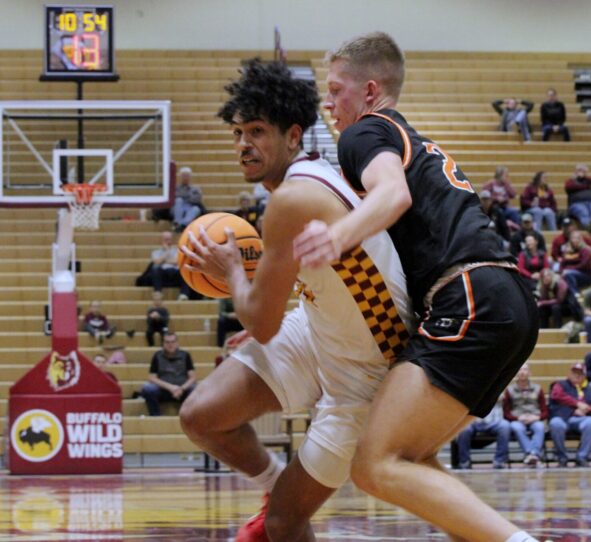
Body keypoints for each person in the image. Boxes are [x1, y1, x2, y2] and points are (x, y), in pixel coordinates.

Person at [294, 33, 540, 542]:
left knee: (374, 464)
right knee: (413, 457)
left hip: (467, 296)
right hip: (503, 296)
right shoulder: (413, 140)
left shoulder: (364, 133)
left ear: (368, 90)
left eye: (336, 89)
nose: (328, 102)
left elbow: (393, 194)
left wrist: (335, 235)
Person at [177, 60, 415, 541]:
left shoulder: (293, 198)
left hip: (370, 366)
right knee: (200, 415)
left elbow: (260, 326)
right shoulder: (305, 180)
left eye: (259, 131)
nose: (245, 144)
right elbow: (323, 283)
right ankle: (271, 486)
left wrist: (230, 274)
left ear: (293, 136)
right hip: (319, 326)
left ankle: (278, 501)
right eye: (239, 132)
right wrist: (265, 303)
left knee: (285, 524)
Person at [548, 363, 591, 468]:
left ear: (584, 376)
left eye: (580, 373)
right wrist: (576, 405)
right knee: (555, 424)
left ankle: (582, 457)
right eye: (574, 373)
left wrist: (586, 409)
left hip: (581, 419)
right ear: (569, 374)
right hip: (561, 417)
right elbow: (557, 395)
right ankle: (562, 457)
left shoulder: (588, 389)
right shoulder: (560, 384)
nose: (577, 375)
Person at [141, 332, 197, 416]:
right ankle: (156, 417)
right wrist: (171, 388)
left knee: (196, 389)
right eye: (167, 342)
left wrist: (181, 388)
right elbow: (152, 378)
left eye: (173, 342)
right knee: (147, 388)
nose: (170, 345)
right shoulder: (157, 355)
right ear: (163, 344)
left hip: (182, 391)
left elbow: (193, 377)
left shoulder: (185, 355)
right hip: (164, 390)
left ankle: (188, 416)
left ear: (177, 343)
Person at [503, 364, 547, 466]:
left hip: (534, 418)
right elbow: (506, 413)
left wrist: (537, 417)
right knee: (516, 427)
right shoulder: (509, 390)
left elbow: (545, 411)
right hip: (517, 419)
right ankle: (532, 454)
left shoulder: (538, 389)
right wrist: (518, 418)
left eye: (525, 369)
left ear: (530, 373)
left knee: (540, 427)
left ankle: (532, 455)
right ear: (516, 373)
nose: (522, 372)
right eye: (520, 369)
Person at [455, 397, 511, 470]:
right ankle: (464, 461)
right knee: (464, 429)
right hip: (472, 420)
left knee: (505, 426)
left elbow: (503, 397)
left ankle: (499, 461)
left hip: (493, 421)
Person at [142, 231, 194, 301]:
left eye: (169, 239)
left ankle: (184, 294)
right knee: (155, 269)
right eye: (166, 239)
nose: (168, 241)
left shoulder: (177, 251)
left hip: (175, 274)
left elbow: (177, 262)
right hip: (163, 275)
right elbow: (156, 262)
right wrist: (167, 251)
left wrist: (163, 261)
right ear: (162, 240)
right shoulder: (156, 252)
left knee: (184, 269)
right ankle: (158, 292)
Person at [564, 164, 591, 235]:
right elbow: (568, 187)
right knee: (583, 211)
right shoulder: (571, 181)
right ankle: (590, 226)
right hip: (577, 204)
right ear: (575, 172)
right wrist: (585, 186)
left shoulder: (589, 181)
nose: (581, 172)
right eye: (579, 170)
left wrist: (586, 177)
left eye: (583, 170)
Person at [172, 166, 204, 231]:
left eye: (187, 175)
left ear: (190, 177)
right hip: (177, 209)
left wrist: (184, 196)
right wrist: (188, 196)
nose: (185, 177)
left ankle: (183, 224)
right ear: (181, 177)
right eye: (184, 176)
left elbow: (197, 199)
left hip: (189, 207)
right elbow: (173, 198)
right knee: (178, 200)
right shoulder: (175, 188)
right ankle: (177, 222)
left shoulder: (195, 189)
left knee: (196, 209)